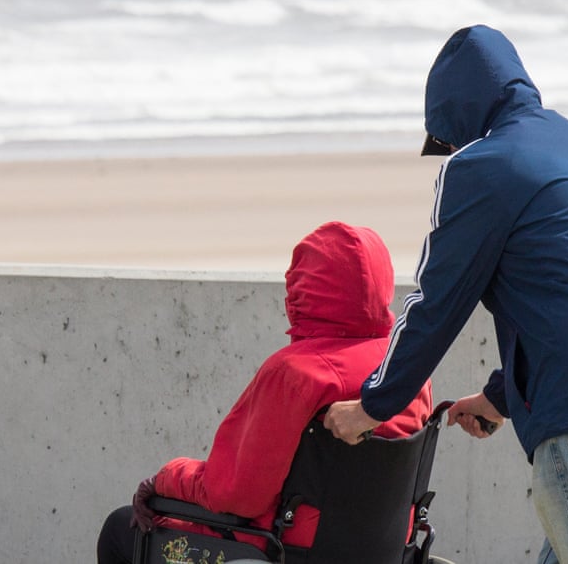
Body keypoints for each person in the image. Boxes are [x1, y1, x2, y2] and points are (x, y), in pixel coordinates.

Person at [323, 25, 568, 564]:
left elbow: (435, 305)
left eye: (446, 141)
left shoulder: (481, 167)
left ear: (457, 118)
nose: (450, 152)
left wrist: (373, 406)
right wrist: (501, 398)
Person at [97, 221, 433, 564]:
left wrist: (165, 478)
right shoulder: (406, 371)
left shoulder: (294, 375)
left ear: (304, 289)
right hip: (382, 551)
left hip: (279, 551)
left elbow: (237, 495)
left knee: (120, 528)